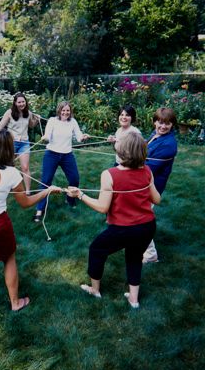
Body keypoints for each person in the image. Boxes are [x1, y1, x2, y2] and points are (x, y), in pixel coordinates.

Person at [0, 129, 61, 311]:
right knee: (8, 258)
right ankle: (15, 303)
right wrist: (47, 191)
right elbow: (25, 203)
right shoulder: (12, 174)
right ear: (10, 150)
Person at [67, 132, 161, 308]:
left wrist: (80, 194)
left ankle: (95, 290)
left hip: (123, 229)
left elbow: (103, 207)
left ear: (123, 151)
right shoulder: (147, 171)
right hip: (147, 227)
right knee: (134, 257)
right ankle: (134, 300)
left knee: (96, 249)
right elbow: (157, 199)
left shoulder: (109, 174)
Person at [33, 101, 89, 222]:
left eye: (67, 110)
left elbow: (78, 137)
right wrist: (45, 139)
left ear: (70, 111)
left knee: (74, 179)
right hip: (51, 154)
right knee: (46, 181)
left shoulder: (73, 122)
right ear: (59, 111)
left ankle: (70, 198)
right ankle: (39, 209)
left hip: (67, 155)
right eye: (63, 110)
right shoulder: (52, 120)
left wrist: (82, 137)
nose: (65, 112)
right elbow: (47, 136)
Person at [0, 92, 39, 195]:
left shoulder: (28, 113)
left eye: (23, 101)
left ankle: (28, 191)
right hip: (11, 143)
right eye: (19, 102)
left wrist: (37, 120)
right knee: (8, 166)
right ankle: (5, 187)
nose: (22, 104)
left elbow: (31, 125)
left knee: (25, 167)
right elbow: (0, 126)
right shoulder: (9, 112)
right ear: (15, 103)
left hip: (24, 143)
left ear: (26, 102)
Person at [142, 107, 178, 263]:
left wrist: (127, 160)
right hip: (144, 184)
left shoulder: (169, 144)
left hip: (151, 187)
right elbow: (143, 149)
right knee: (138, 216)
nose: (163, 126)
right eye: (160, 122)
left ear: (172, 125)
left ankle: (150, 255)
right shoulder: (155, 135)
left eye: (167, 124)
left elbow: (149, 167)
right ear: (154, 122)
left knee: (141, 219)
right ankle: (135, 242)